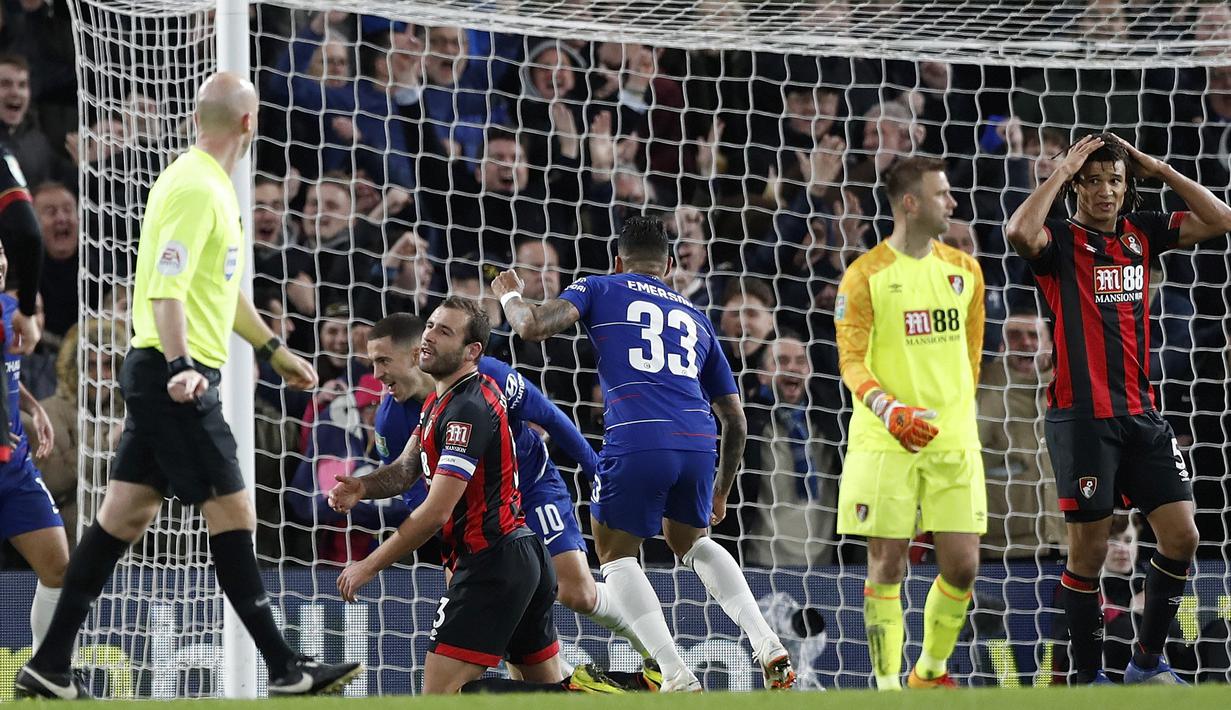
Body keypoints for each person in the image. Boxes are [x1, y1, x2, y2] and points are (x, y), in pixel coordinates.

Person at [15, 72, 360, 699]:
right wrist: (180, 369)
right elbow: (166, 287)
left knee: (124, 515)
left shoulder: (210, 187)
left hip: (165, 372)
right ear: (249, 125)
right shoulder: (198, 186)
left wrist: (271, 347)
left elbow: (218, 290)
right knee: (234, 510)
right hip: (174, 375)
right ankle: (285, 667)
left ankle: (50, 665)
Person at [491, 216, 796, 692]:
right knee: (691, 541)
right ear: (670, 265)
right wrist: (721, 492)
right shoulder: (697, 319)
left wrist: (510, 294)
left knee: (615, 553)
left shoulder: (600, 287)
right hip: (698, 441)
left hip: (637, 435)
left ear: (618, 261)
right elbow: (735, 421)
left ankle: (676, 673)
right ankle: (766, 641)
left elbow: (530, 327)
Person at [1005, 132, 1231, 684]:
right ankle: (1084, 680)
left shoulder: (1143, 234)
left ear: (1127, 187)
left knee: (1183, 537)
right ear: (1077, 186)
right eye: (1093, 180)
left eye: (1115, 180)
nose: (1105, 191)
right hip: (1082, 420)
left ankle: (1145, 665)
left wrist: (1160, 168)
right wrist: (1060, 170)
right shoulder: (1058, 241)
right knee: (1088, 553)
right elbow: (1017, 231)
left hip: (1142, 415)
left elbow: (1222, 218)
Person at [347, 312, 657, 681]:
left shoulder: (483, 376)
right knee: (504, 621)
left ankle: (662, 660)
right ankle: (575, 686)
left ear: (416, 354)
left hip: (530, 487)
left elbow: (550, 416)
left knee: (578, 594)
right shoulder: (392, 420)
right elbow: (416, 488)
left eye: (383, 361)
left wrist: (597, 472)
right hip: (479, 515)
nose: (376, 374)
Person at [834, 156, 986, 690]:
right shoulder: (865, 275)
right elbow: (851, 360)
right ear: (911, 203)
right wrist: (890, 409)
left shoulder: (965, 271)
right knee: (888, 566)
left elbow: (971, 359)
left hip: (952, 440)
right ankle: (886, 688)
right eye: (942, 194)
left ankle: (929, 672)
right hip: (885, 439)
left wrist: (950, 414)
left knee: (963, 567)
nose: (953, 202)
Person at [0, 241, 63, 655]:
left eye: (2, 252)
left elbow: (7, 369)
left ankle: (44, 669)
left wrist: (33, 406)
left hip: (14, 468)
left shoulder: (10, 310)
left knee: (58, 568)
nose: (1, 261)